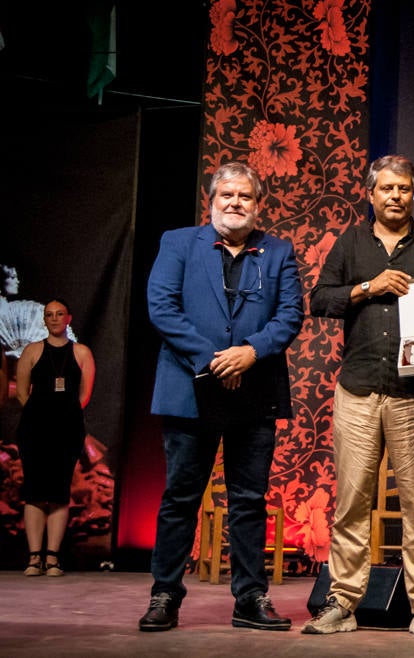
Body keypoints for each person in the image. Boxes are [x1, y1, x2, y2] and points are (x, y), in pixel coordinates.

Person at [138, 161, 304, 632]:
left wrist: (250, 352)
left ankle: (250, 598)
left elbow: (291, 314)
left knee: (249, 500)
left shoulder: (278, 251)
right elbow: (162, 307)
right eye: (226, 196)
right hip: (190, 390)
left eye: (245, 197)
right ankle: (165, 595)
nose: (235, 203)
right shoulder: (177, 242)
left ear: (257, 204)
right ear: (211, 201)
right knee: (180, 498)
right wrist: (215, 360)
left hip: (255, 392)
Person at [304, 154, 414, 638]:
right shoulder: (351, 242)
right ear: (370, 194)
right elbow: (319, 299)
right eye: (387, 189)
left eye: (404, 189)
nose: (396, 196)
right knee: (352, 502)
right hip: (357, 389)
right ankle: (342, 602)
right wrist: (368, 287)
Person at [15, 298, 95, 577]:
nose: (55, 318)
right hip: (34, 430)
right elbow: (23, 391)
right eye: (49, 314)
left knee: (59, 492)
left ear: (68, 318)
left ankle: (52, 558)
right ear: (44, 319)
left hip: (67, 429)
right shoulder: (32, 351)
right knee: (35, 491)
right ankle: (34, 557)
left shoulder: (81, 352)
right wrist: (41, 414)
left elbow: (84, 394)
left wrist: (64, 414)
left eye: (60, 313)